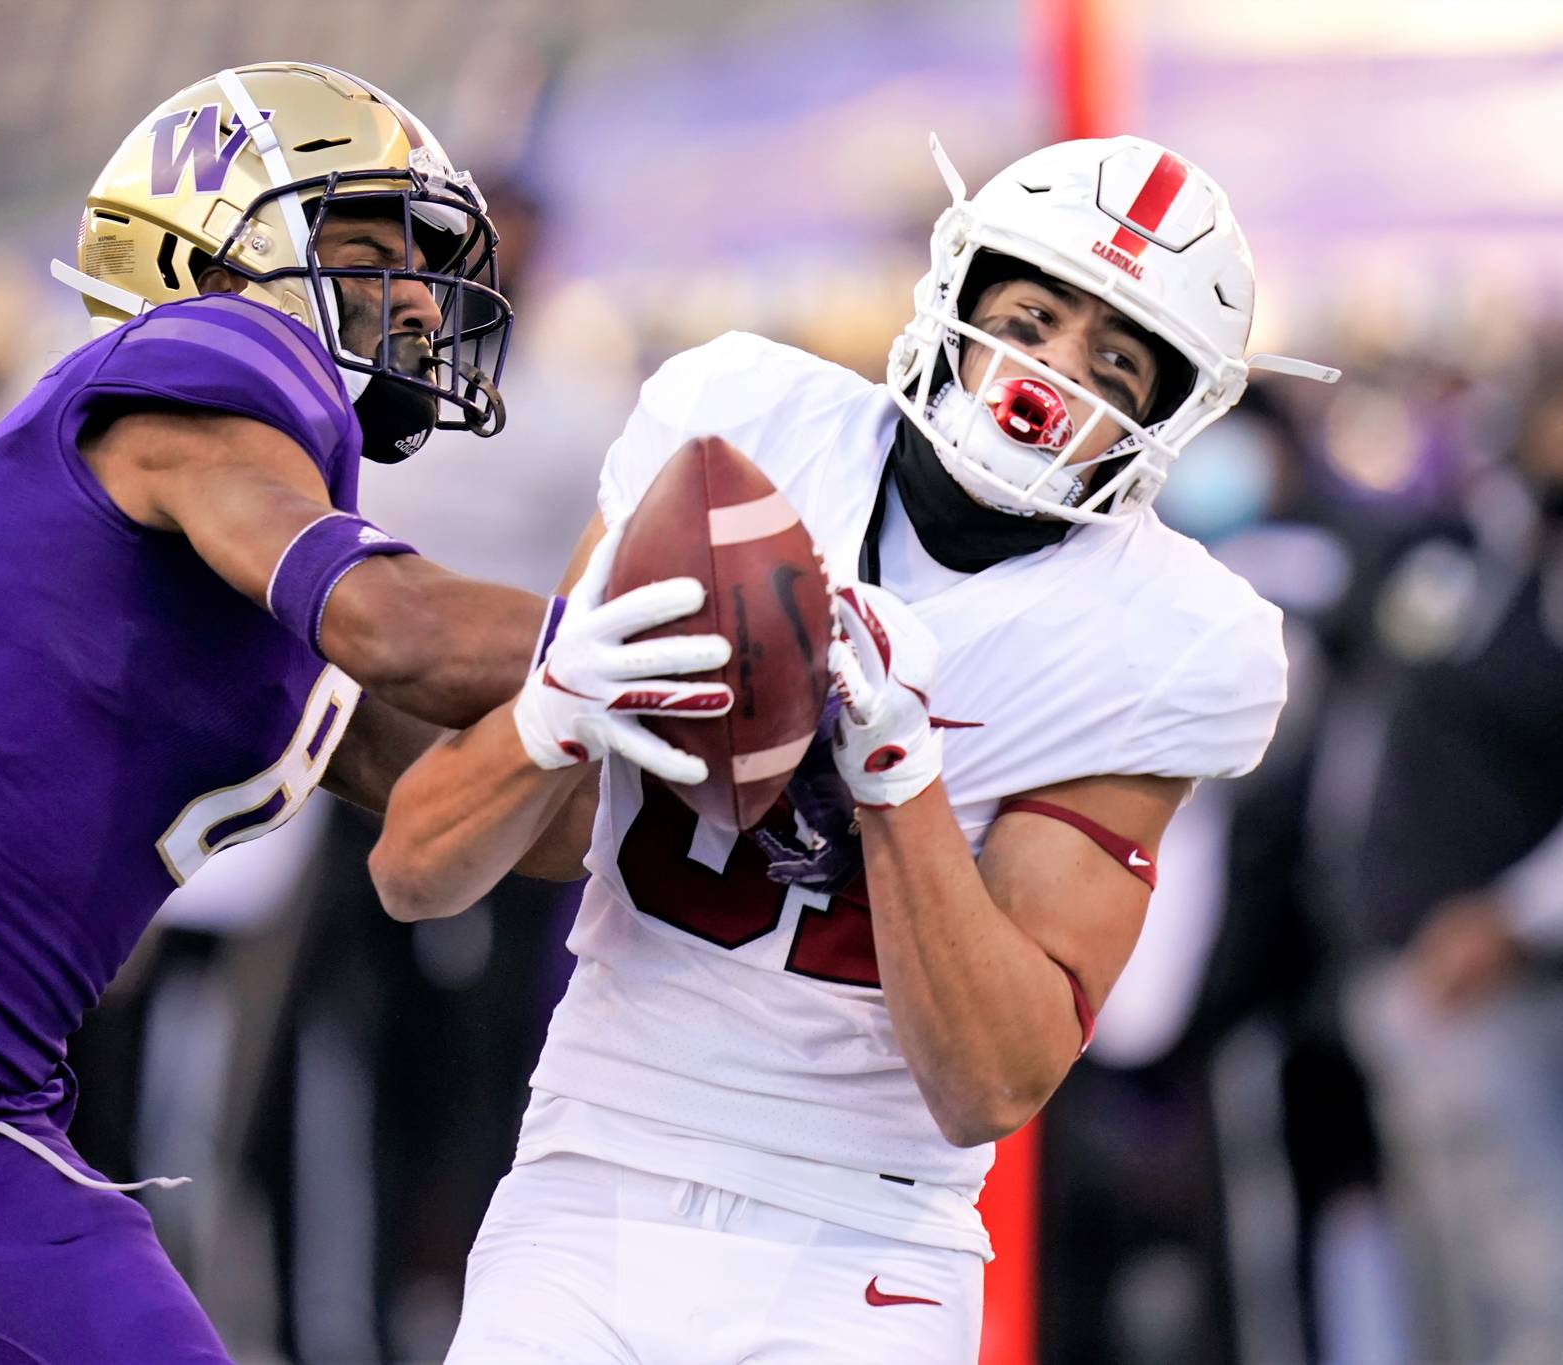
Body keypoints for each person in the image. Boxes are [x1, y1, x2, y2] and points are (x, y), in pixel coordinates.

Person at [0, 62, 720, 1364]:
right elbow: (396, 624)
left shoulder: (270, 542)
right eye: (371, 246)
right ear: (211, 254)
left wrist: (682, 782)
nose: (419, 296)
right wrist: (685, 647)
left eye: (425, 263)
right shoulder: (205, 366)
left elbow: (447, 816)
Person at [369, 133, 1340, 1362]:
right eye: (1031, 318)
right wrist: (556, 709)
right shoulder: (742, 426)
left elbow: (989, 1083)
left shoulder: (1164, 641)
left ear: (1159, 418)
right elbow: (422, 871)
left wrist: (899, 777)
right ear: (954, 295)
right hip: (593, 1168)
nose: (1046, 377)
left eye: (1113, 361)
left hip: (858, 1243)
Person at [1311, 348, 1563, 1362]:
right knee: (1457, 1290)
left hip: (1539, 980)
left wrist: (1514, 921)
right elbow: (1363, 723)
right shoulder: (1440, 556)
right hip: (1403, 963)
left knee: (1558, 1284)